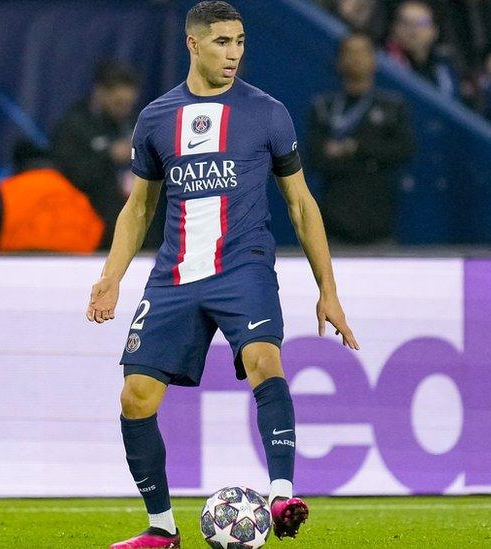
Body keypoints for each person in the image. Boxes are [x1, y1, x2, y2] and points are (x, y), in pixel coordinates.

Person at [85, 3, 359, 548]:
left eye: (239, 42)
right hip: (176, 273)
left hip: (243, 266)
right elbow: (139, 208)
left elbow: (302, 205)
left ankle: (281, 494)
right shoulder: (158, 118)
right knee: (135, 397)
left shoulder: (267, 113)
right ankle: (162, 529)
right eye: (221, 43)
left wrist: (328, 291)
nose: (233, 53)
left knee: (264, 359)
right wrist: (111, 277)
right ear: (192, 44)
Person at [307, 33, 415, 244]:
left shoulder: (392, 107)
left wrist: (354, 148)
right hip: (335, 226)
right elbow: (316, 157)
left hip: (380, 224)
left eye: (362, 52)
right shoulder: (323, 108)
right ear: (339, 61)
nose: (356, 58)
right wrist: (370, 159)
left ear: (374, 60)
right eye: (350, 53)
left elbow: (403, 150)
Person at [51, 60, 141, 249]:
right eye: (118, 103)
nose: (124, 109)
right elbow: (66, 178)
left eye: (128, 104)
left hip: (131, 231)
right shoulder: (74, 126)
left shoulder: (134, 123)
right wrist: (108, 156)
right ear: (99, 93)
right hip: (86, 232)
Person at [0, 140, 104, 253]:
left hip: (18, 265)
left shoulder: (8, 190)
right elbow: (98, 230)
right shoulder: (73, 191)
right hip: (74, 266)